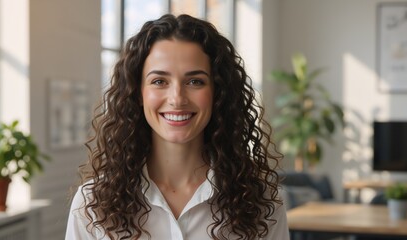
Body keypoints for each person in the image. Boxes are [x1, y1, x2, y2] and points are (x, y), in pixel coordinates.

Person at [65, 14, 289, 240]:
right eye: (159, 81)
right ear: (138, 93)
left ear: (217, 93)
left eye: (195, 81)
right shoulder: (92, 205)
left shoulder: (262, 203)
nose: (177, 98)